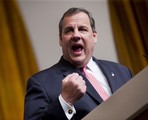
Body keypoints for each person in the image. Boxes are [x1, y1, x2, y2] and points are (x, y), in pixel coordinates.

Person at [24, 7, 133, 120]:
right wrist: (65, 101)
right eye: (69, 30)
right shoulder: (41, 83)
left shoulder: (123, 72)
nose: (76, 35)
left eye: (82, 29)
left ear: (94, 37)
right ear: (60, 40)